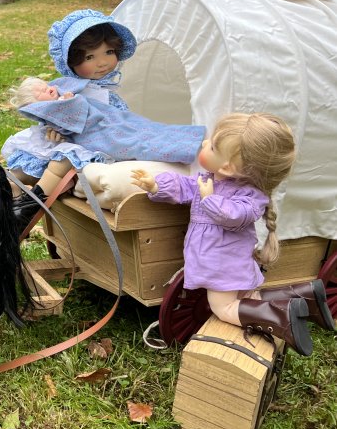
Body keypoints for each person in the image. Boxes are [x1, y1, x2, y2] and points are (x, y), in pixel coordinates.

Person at [131, 113, 335, 355]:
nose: (205, 144)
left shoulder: (249, 196)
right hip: (223, 259)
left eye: (213, 146)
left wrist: (209, 199)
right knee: (249, 296)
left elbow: (234, 216)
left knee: (223, 307)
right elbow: (185, 186)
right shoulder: (210, 179)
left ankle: (280, 320)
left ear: (227, 167)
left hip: (222, 262)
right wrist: (156, 185)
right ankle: (305, 297)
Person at [4, 8, 205, 230]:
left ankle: (31, 203)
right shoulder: (66, 88)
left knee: (66, 160)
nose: (102, 62)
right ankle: (13, 191)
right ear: (71, 62)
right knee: (42, 159)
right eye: (90, 57)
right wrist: (53, 125)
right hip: (71, 139)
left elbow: (121, 120)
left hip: (97, 141)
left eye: (109, 52)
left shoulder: (108, 93)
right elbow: (50, 110)